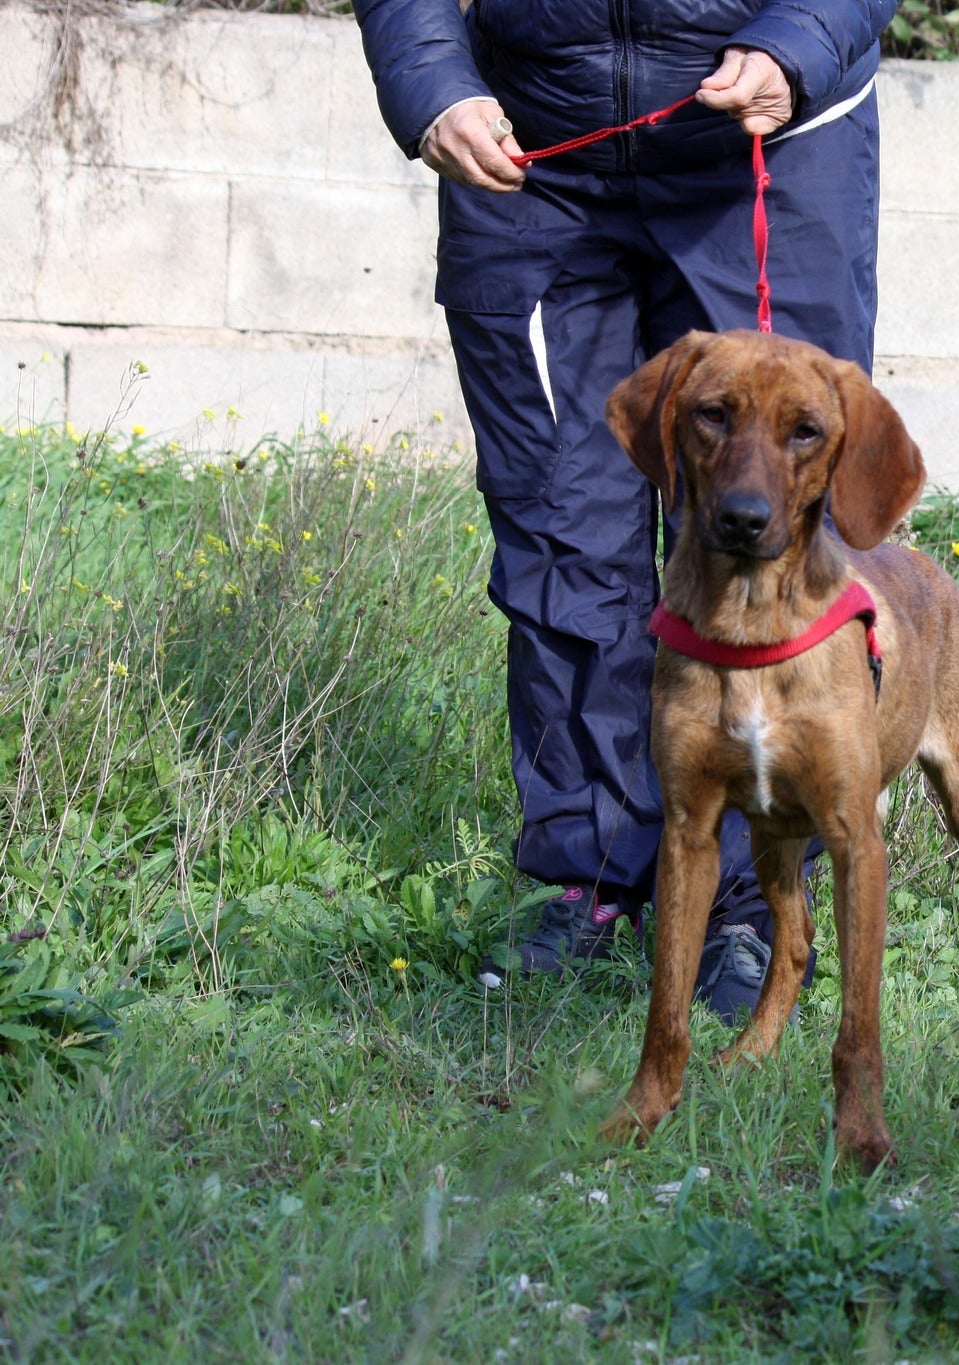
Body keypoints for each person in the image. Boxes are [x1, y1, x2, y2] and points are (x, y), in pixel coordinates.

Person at [353, 0, 895, 1018]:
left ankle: (748, 904)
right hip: (531, 149)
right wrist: (432, 84)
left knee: (761, 535)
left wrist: (797, 44)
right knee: (560, 527)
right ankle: (589, 873)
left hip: (765, 139)